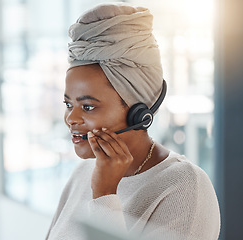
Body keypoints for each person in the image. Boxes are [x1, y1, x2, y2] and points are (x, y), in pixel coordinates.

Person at [46, 3, 220, 240]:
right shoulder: (83, 172)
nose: (71, 119)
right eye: (68, 104)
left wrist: (105, 195)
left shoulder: (185, 187)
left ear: (139, 112)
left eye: (88, 106)